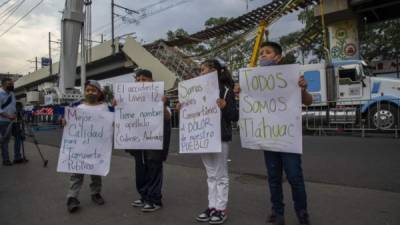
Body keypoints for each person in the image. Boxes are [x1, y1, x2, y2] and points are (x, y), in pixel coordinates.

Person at [234, 41, 312, 225]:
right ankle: (278, 213)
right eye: (261, 53)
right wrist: (240, 90)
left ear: (278, 57)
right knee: (273, 177)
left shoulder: (291, 77)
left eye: (267, 52)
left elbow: (308, 101)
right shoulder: (253, 80)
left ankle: (302, 213)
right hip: (268, 137)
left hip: (287, 138)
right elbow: (250, 104)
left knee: (294, 177)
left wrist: (303, 88)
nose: (261, 55)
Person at [176, 59, 239, 224]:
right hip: (203, 137)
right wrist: (182, 109)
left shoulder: (226, 91)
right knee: (211, 175)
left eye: (203, 70)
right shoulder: (194, 91)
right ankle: (212, 206)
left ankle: (221, 208)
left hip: (220, 137)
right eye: (200, 70)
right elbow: (191, 112)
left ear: (214, 71)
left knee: (221, 175)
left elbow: (234, 116)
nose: (201, 73)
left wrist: (225, 106)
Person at [123, 69, 172, 212]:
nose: (140, 82)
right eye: (138, 80)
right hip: (138, 140)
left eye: (144, 79)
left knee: (154, 167)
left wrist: (162, 105)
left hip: (154, 140)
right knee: (140, 168)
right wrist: (117, 104)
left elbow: (168, 117)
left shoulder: (159, 95)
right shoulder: (130, 98)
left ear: (152, 81)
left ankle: (155, 199)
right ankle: (144, 195)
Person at [65, 80, 108, 213]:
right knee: (77, 173)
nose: (90, 92)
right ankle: (72, 197)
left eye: (93, 90)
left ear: (99, 92)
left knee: (96, 171)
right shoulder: (79, 108)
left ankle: (96, 193)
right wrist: (65, 122)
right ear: (84, 92)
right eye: (87, 90)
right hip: (80, 147)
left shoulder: (104, 107)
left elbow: (107, 125)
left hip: (97, 146)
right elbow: (71, 126)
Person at [0, 78, 17, 166]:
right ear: (3, 84)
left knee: (5, 141)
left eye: (11, 83)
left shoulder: (12, 94)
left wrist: (14, 114)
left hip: (9, 121)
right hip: (2, 121)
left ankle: (6, 159)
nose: (11, 85)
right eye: (9, 84)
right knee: (3, 141)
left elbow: (13, 106)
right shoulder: (0, 93)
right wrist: (9, 116)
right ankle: (6, 159)